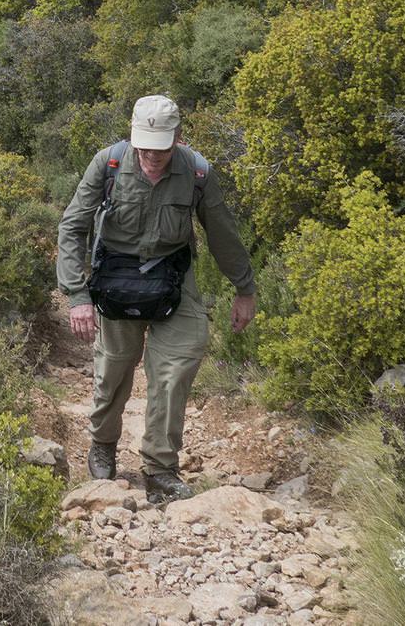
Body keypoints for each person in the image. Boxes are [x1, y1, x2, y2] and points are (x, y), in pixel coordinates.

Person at [55, 93, 257, 502]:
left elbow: (222, 233)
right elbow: (71, 227)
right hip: (115, 278)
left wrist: (244, 289)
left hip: (172, 277)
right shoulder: (108, 163)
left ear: (177, 138)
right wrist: (77, 295)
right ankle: (103, 446)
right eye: (143, 146)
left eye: (160, 149)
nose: (150, 156)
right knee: (113, 369)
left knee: (175, 368)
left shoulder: (197, 173)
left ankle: (161, 469)